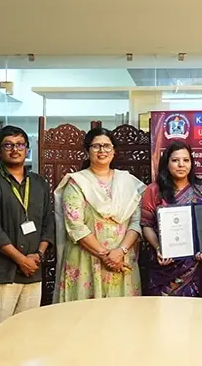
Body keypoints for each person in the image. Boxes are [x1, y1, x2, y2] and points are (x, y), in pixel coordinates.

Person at [0, 125, 54, 332]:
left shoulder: (39, 183)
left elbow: (48, 223)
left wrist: (38, 254)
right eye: (8, 145)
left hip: (32, 274)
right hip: (0, 275)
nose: (15, 150)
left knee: (27, 334)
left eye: (20, 145)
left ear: (27, 149)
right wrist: (21, 260)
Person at [53, 127, 145, 302]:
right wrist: (106, 256)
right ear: (87, 151)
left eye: (107, 146)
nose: (102, 150)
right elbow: (75, 225)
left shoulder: (128, 182)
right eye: (96, 146)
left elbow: (137, 221)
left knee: (122, 314)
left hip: (122, 259)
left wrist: (120, 251)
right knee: (85, 315)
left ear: (114, 150)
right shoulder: (77, 182)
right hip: (86, 261)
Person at [140, 140, 202, 299]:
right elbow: (146, 225)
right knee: (164, 312)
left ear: (191, 163)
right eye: (175, 160)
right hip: (164, 267)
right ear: (167, 163)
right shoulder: (154, 191)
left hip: (197, 269)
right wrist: (159, 248)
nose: (181, 165)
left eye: (186, 160)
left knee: (195, 312)